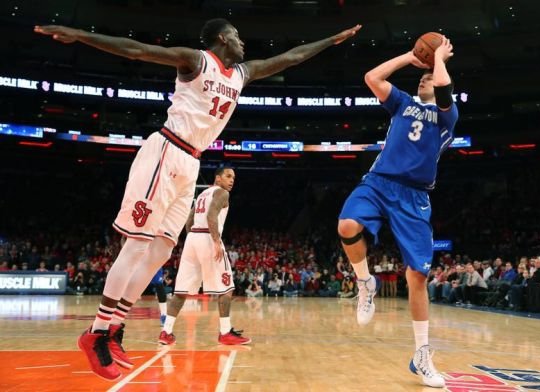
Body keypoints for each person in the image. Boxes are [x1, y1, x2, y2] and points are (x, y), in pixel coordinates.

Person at [35, 19, 361, 381]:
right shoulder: (195, 60)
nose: (242, 42)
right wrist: (80, 35)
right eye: (237, 35)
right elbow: (138, 50)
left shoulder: (241, 73)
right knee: (136, 246)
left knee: (159, 250)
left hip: (192, 163)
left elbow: (290, 57)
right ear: (222, 38)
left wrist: (332, 39)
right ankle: (96, 332)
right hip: (166, 150)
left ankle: (114, 329)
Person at [337, 37, 457, 388]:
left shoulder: (448, 117)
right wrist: (410, 56)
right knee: (347, 225)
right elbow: (372, 77)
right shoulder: (403, 103)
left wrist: (437, 60)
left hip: (415, 196)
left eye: (430, 78)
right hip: (379, 182)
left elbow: (445, 89)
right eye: (422, 78)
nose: (425, 80)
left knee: (417, 276)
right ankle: (364, 282)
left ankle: (422, 354)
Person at [159, 166, 250, 345]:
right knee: (227, 288)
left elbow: (190, 220)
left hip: (192, 238)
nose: (232, 180)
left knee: (181, 291)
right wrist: (215, 242)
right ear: (218, 178)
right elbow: (211, 216)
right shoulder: (222, 193)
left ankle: (166, 332)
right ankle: (225, 332)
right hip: (207, 238)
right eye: (228, 176)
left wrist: (192, 240)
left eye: (233, 177)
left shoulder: (202, 195)